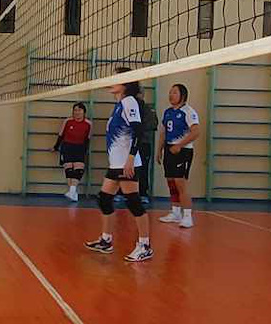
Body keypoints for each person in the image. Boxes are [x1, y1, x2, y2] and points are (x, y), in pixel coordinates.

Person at [85, 70, 153, 262]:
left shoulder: (129, 101)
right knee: (104, 199)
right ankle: (106, 240)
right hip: (116, 164)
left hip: (126, 164)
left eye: (115, 78)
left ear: (125, 83)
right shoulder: (119, 105)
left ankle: (145, 245)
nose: (111, 81)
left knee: (133, 203)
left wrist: (131, 158)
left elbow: (138, 131)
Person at [158, 83, 201, 229]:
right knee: (171, 182)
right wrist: (159, 150)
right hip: (169, 149)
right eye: (170, 92)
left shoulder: (188, 111)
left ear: (183, 95)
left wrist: (180, 145)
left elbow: (196, 132)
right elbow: (163, 133)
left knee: (180, 183)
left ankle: (187, 216)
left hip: (183, 151)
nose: (171, 95)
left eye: (174, 93)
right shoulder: (168, 112)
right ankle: (175, 212)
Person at [54, 102, 91, 202]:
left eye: (79, 110)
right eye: (75, 110)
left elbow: (87, 139)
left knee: (78, 170)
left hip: (80, 148)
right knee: (69, 170)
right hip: (67, 147)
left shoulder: (88, 124)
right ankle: (73, 193)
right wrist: (56, 147)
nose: (77, 112)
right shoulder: (68, 121)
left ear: (84, 112)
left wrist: (84, 150)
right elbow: (61, 135)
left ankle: (72, 191)